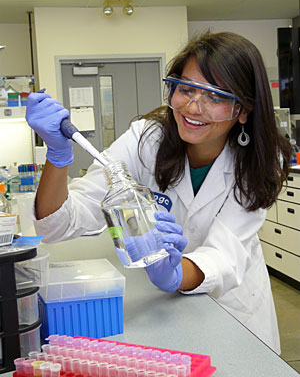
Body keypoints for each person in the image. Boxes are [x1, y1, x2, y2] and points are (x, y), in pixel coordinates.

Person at [26, 31, 291, 354]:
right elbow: (57, 224)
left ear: (244, 109)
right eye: (186, 88)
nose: (193, 106)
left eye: (216, 96)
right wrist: (57, 158)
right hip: (162, 305)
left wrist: (173, 272)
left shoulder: (261, 160)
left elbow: (225, 255)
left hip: (233, 303)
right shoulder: (146, 139)